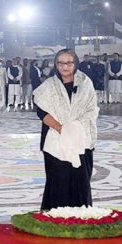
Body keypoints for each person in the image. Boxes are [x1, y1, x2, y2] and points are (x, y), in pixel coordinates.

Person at [33, 49, 98, 210]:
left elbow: (92, 109)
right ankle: (55, 218)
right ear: (56, 65)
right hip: (55, 139)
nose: (65, 66)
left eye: (69, 62)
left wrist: (73, 129)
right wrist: (60, 128)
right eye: (61, 63)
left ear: (75, 64)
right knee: (58, 181)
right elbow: (41, 111)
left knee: (80, 180)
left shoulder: (85, 83)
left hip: (80, 139)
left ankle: (80, 218)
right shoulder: (48, 86)